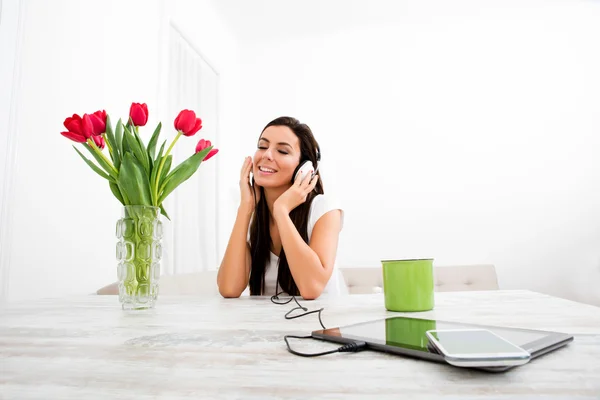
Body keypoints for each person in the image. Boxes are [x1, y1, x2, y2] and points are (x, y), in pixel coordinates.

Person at [217, 116, 346, 299]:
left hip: (319, 324)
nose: (267, 155)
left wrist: (281, 211)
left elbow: (311, 289)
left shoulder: (324, 209)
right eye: (262, 146)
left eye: (282, 151)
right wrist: (245, 208)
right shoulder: (252, 211)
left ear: (304, 168)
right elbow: (229, 289)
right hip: (270, 326)